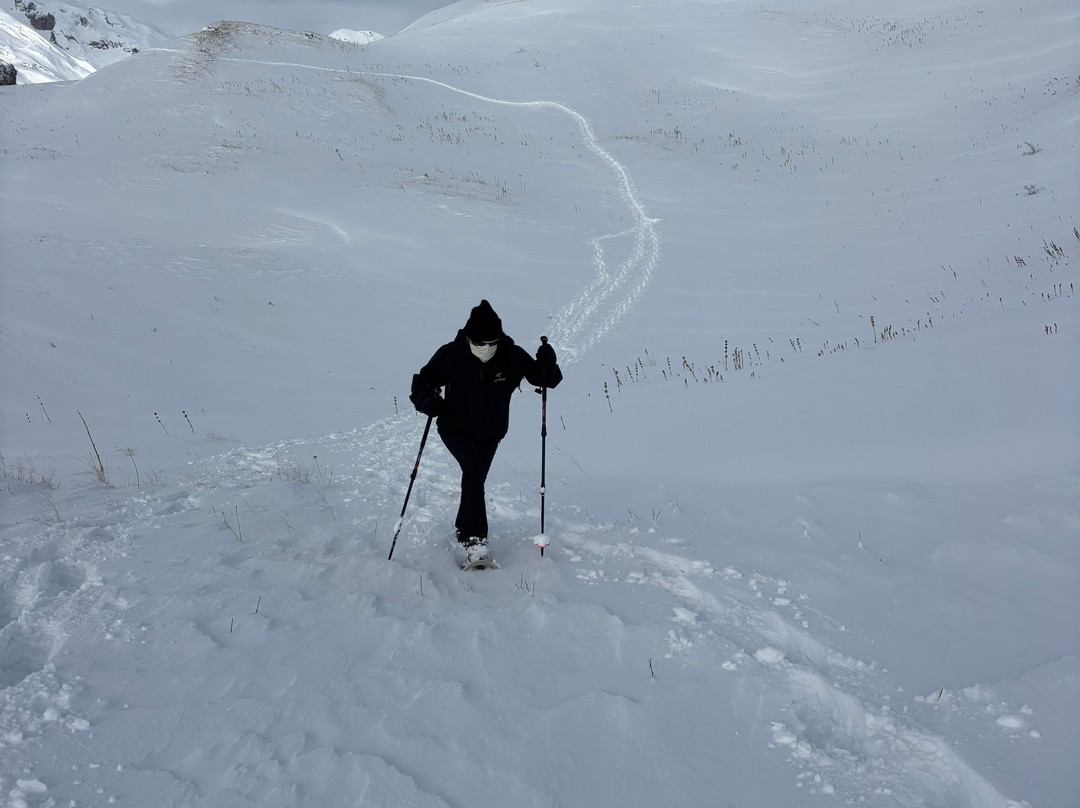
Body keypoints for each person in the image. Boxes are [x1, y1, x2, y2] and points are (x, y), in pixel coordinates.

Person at [410, 300, 562, 560]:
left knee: (475, 479)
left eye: (491, 343)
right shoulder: (451, 353)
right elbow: (422, 383)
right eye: (479, 344)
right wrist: (427, 400)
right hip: (454, 427)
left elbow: (546, 380)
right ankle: (474, 540)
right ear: (469, 338)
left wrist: (548, 362)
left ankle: (463, 526)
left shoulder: (511, 355)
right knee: (473, 473)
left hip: (491, 432)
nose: (485, 349)